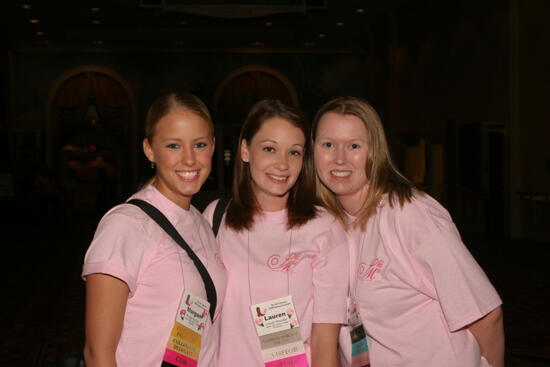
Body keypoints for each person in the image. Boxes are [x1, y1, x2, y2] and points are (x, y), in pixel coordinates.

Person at [312, 96, 505, 367]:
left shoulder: (411, 214)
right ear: (314, 151)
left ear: (375, 151)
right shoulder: (327, 224)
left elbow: (485, 314)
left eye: (354, 145)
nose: (340, 158)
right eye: (328, 144)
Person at [82, 92, 226, 367]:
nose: (189, 159)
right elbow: (97, 353)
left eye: (199, 144)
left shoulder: (200, 222)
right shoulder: (126, 226)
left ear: (213, 146)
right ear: (149, 150)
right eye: (173, 145)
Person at [203, 99, 349, 367]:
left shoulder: (323, 228)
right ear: (245, 150)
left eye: (294, 152)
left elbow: (325, 344)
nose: (282, 164)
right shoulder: (215, 217)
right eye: (270, 149)